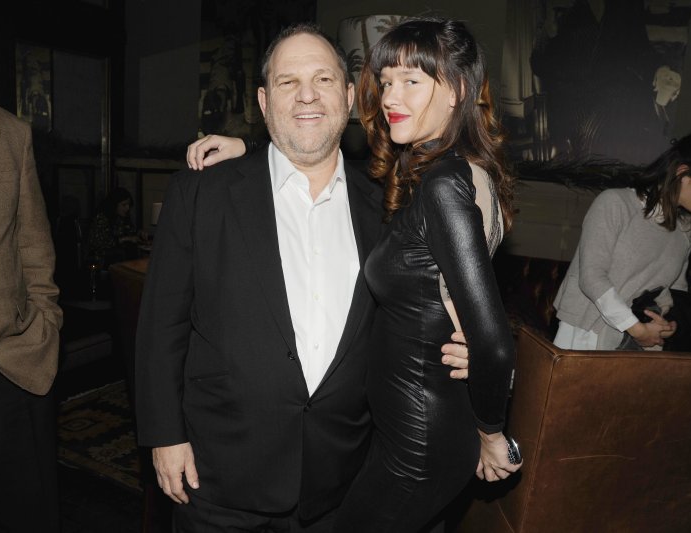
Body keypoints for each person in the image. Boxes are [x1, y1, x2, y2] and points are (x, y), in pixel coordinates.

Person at [189, 18, 523, 533]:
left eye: (411, 81)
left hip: (417, 447)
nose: (391, 97)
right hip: (408, 436)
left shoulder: (444, 185)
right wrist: (257, 154)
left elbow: (495, 341)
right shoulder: (453, 173)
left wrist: (492, 433)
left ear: (457, 89)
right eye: (386, 81)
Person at [0, 93, 63, 531]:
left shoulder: (7, 131)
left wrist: (46, 323)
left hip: (13, 363)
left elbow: (34, 245)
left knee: (25, 516)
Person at [553, 130, 691, 351]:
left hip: (642, 340)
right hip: (587, 332)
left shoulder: (686, 227)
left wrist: (668, 324)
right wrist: (635, 328)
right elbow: (591, 277)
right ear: (683, 173)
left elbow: (675, 288)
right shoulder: (615, 204)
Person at [86, 186, 147, 269]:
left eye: (128, 205)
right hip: (101, 260)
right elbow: (100, 243)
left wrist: (139, 233)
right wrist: (124, 239)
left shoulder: (122, 218)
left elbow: (130, 231)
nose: (127, 208)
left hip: (118, 258)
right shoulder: (101, 218)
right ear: (114, 204)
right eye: (124, 205)